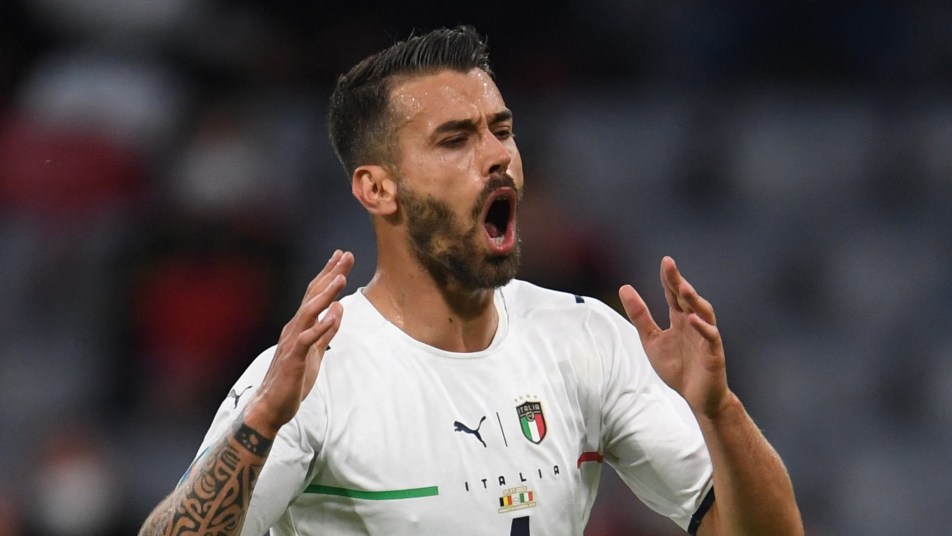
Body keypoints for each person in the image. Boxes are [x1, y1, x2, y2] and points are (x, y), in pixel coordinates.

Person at [139, 26, 802, 536]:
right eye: (455, 140)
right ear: (378, 188)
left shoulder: (586, 339)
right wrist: (261, 422)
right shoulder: (311, 376)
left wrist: (718, 410)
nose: (497, 157)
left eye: (501, 131)